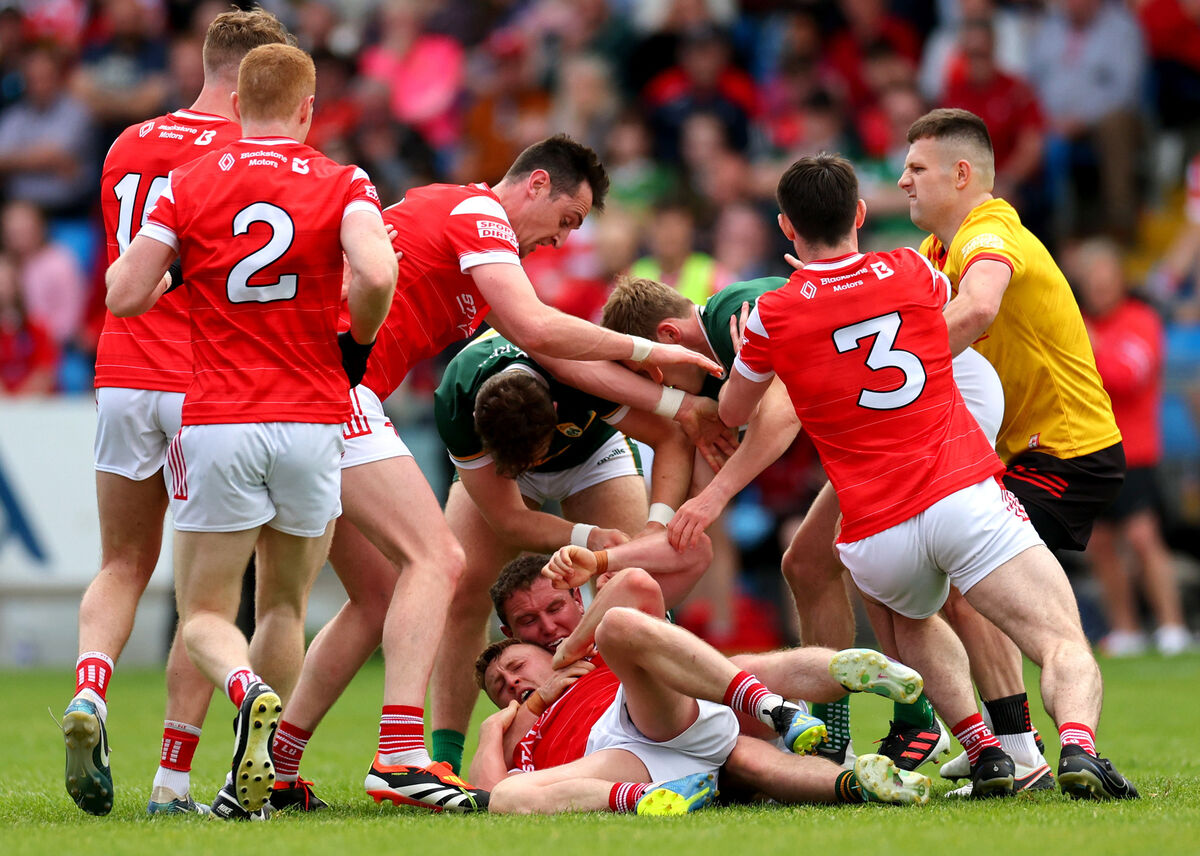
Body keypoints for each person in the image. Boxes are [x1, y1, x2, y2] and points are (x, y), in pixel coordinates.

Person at [264, 134, 723, 814]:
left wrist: (664, 405)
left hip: (286, 393)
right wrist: (645, 352)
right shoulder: (477, 218)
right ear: (535, 184)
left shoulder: (466, 254)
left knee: (373, 594)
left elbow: (553, 348)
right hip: (325, 392)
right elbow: (538, 330)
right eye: (567, 219)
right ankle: (403, 757)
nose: (561, 240)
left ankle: (273, 769)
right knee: (441, 563)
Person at [718, 152, 1136, 801]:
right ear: (859, 214)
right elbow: (951, 321)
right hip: (959, 490)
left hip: (875, 524)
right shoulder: (911, 267)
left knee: (912, 618)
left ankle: (982, 747)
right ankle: (1077, 745)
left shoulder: (773, 311)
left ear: (785, 227)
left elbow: (733, 412)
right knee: (1059, 639)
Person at [104, 43, 398, 820]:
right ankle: (245, 785)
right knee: (283, 608)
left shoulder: (190, 180)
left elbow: (125, 295)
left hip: (221, 420)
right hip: (313, 421)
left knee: (205, 613)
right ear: (308, 109)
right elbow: (376, 273)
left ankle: (245, 687)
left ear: (235, 106)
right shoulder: (344, 180)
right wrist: (356, 346)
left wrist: (171, 273)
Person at [601, 272, 1004, 771]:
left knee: (905, 575)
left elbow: (783, 414)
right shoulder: (715, 337)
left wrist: (715, 497)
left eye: (653, 371)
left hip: (937, 402)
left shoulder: (738, 314)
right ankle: (855, 733)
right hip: (900, 410)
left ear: (668, 336)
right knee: (810, 566)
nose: (658, 382)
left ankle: (966, 732)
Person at [62, 9, 291, 818]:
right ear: (261, 74)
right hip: (204, 382)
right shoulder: (247, 157)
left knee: (121, 562)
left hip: (122, 371)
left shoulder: (128, 142)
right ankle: (170, 781)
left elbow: (127, 260)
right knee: (206, 595)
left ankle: (90, 691)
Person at [900, 108, 1126, 790]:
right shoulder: (935, 253)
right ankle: (1019, 742)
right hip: (1014, 455)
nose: (903, 183)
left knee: (970, 575)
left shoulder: (990, 229)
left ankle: (1019, 746)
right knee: (952, 573)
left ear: (961, 175)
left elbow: (976, 311)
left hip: (1066, 453)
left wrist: (898, 372)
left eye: (916, 170)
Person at [427, 328, 711, 774]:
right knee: (461, 590)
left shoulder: (583, 372)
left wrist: (651, 532)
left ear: (557, 413)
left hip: (591, 454)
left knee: (627, 584)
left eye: (531, 459)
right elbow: (510, 521)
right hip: (503, 476)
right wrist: (585, 536)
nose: (531, 471)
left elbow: (671, 438)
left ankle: (679, 718)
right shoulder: (457, 398)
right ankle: (443, 765)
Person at [473, 559, 932, 813]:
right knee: (750, 760)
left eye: (515, 666)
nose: (510, 682)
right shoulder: (515, 722)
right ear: (511, 629)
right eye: (498, 685)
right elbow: (488, 795)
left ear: (576, 598)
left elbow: (638, 581)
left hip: (656, 713)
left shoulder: (588, 650)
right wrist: (500, 725)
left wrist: (569, 648)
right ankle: (860, 785)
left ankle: (816, 686)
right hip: (637, 763)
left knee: (629, 630)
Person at [1075, 238, 1193, 656]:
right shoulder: (1080, 322)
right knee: (1101, 544)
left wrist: (1092, 350)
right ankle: (1125, 629)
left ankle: (1171, 626)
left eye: (1106, 279)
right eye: (1092, 281)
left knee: (1144, 538)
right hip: (1088, 451)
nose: (1099, 288)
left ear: (1120, 280)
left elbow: (1128, 376)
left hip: (1134, 451)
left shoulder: (1139, 320)